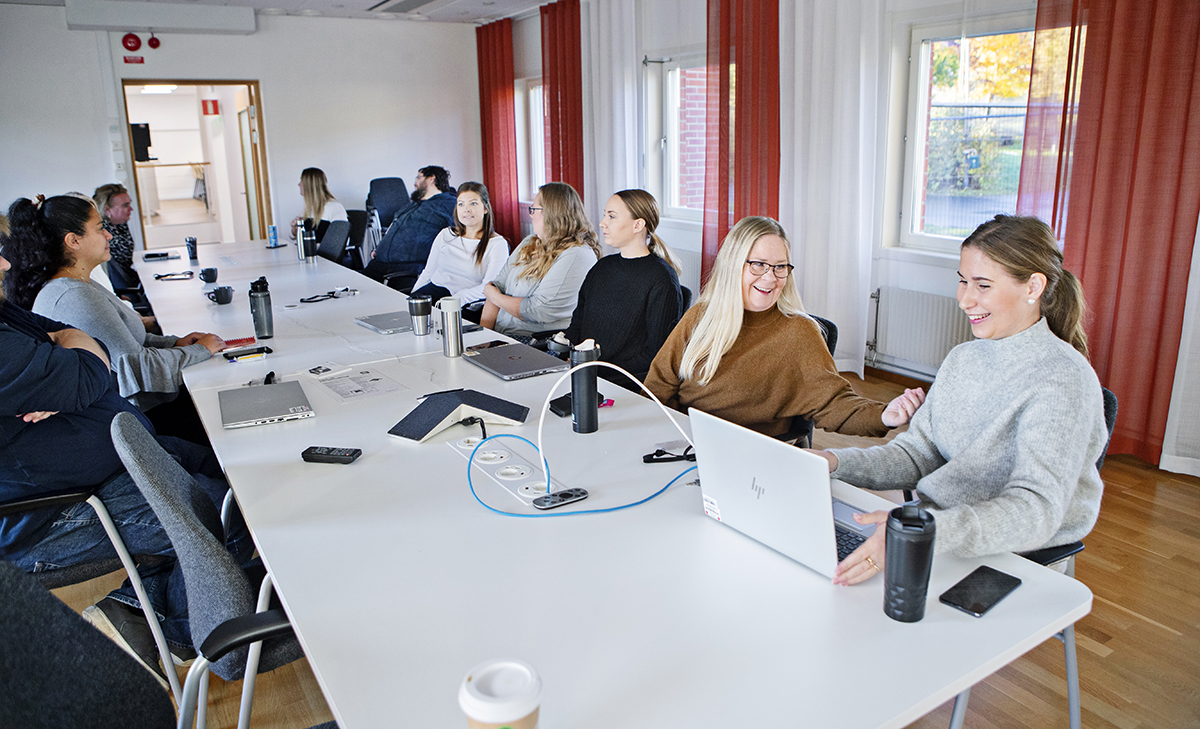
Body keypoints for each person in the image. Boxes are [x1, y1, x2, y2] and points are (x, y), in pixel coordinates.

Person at [0, 229, 248, 687]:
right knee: (242, 522)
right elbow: (90, 367)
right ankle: (162, 630)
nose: (5, 266)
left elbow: (87, 359)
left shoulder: (4, 315)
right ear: (71, 239)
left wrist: (72, 350)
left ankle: (132, 613)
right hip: (60, 511)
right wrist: (72, 359)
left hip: (111, 465)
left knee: (239, 476)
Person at [818, 215, 1107, 587]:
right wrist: (833, 461)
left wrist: (925, 530)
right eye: (963, 281)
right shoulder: (963, 358)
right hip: (938, 531)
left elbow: (1035, 511)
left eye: (983, 285)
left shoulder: (1063, 379)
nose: (964, 299)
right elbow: (918, 453)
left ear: (1033, 286)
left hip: (1013, 557)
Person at [645, 216, 923, 438]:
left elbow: (834, 403)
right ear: (733, 265)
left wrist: (885, 415)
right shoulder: (701, 316)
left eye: (780, 267)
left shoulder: (799, 333)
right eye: (758, 265)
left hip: (752, 458)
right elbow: (659, 385)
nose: (771, 278)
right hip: (685, 443)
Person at [4, 196, 223, 439]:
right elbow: (136, 366)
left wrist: (174, 343)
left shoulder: (79, 285)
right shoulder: (74, 297)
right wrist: (202, 351)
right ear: (73, 240)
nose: (108, 235)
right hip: (134, 420)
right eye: (99, 229)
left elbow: (128, 341)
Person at [558, 189, 683, 381]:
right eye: (605, 215)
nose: (602, 223)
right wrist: (567, 354)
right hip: (582, 373)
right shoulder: (602, 267)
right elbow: (578, 324)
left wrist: (595, 372)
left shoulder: (662, 279)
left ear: (638, 225)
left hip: (620, 382)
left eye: (612, 216)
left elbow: (656, 354)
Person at [481, 182, 600, 339]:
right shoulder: (530, 241)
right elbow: (497, 285)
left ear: (551, 213)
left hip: (536, 342)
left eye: (534, 210)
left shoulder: (576, 254)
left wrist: (495, 296)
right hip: (502, 335)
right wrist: (483, 337)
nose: (531, 215)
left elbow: (535, 310)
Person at [408, 181, 508, 305]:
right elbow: (428, 273)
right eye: (461, 204)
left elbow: (489, 287)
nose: (466, 209)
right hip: (435, 291)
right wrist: (411, 299)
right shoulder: (446, 234)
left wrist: (458, 299)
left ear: (485, 208)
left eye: (473, 203)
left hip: (467, 301)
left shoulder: (497, 244)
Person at [364, 165, 457, 283]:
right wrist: (380, 248)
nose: (415, 183)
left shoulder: (448, 204)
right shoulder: (413, 205)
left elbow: (460, 235)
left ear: (431, 179)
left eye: (418, 178)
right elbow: (394, 228)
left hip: (408, 269)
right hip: (379, 263)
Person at [93, 183, 140, 291]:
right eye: (125, 205)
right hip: (123, 289)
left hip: (130, 281)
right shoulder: (103, 232)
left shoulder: (120, 224)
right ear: (107, 210)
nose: (131, 209)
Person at [288, 167, 348, 241]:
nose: (299, 184)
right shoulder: (307, 209)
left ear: (309, 185)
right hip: (311, 252)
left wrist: (316, 247)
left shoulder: (334, 207)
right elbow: (303, 239)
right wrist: (295, 230)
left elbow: (341, 240)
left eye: (302, 181)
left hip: (323, 252)